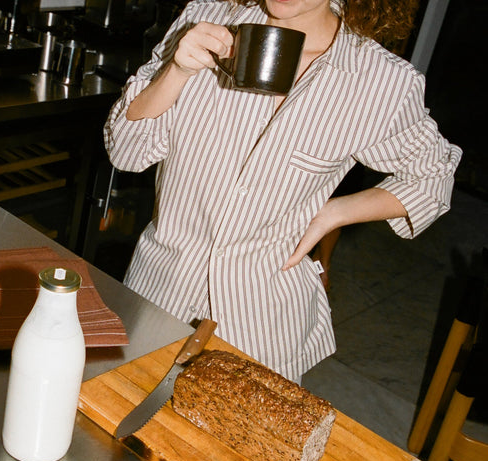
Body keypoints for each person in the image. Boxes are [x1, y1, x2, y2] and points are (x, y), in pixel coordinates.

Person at [104, 0, 461, 382]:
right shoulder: (204, 21)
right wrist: (176, 71)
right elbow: (126, 151)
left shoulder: (381, 82)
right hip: (158, 292)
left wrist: (332, 214)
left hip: (262, 323)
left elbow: (434, 175)